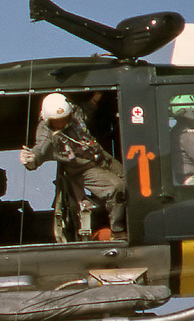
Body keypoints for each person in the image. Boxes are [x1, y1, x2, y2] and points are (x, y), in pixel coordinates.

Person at [21, 92, 128, 242]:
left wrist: (98, 96)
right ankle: (117, 232)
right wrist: (29, 159)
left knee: (133, 181)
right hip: (84, 170)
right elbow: (38, 152)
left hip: (100, 156)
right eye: (57, 121)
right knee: (117, 187)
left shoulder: (74, 112)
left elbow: (86, 110)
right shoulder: (47, 135)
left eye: (65, 119)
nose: (62, 123)